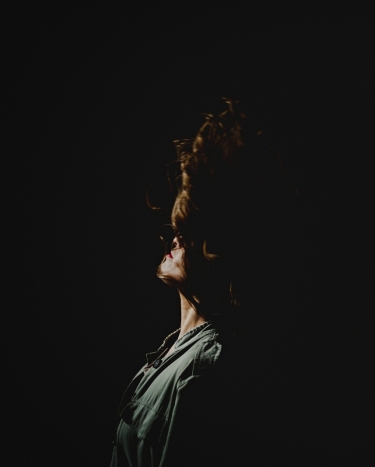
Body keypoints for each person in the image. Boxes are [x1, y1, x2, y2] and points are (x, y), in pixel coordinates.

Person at [111, 99, 295, 466]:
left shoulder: (203, 376)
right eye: (180, 229)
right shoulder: (177, 351)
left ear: (220, 254)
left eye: (191, 233)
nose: (175, 238)